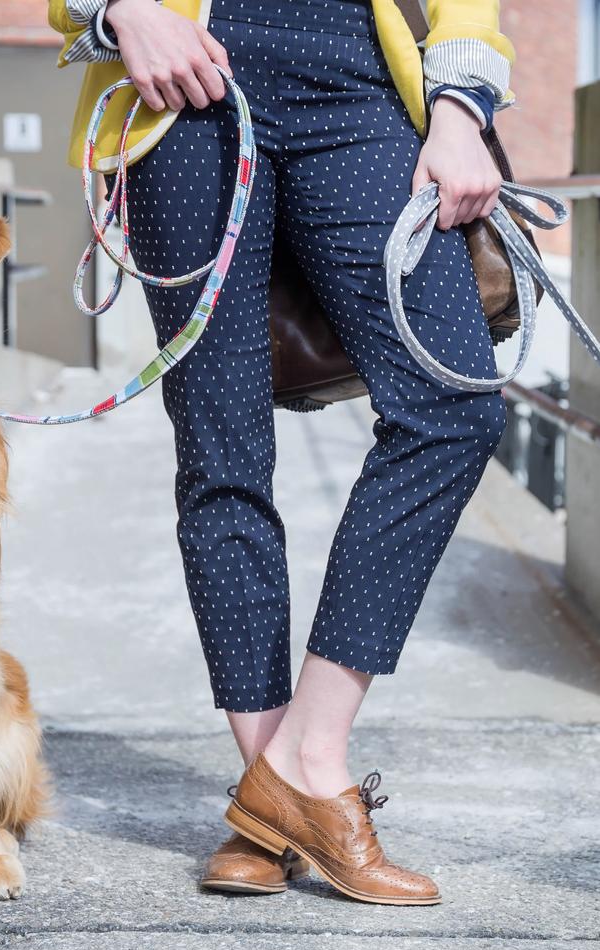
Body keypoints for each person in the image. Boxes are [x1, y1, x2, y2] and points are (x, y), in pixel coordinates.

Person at [47, 0, 514, 904]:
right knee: (223, 456)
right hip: (185, 91)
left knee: (453, 404)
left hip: (362, 86)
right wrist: (119, 9)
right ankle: (275, 794)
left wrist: (461, 112)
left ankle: (305, 758)